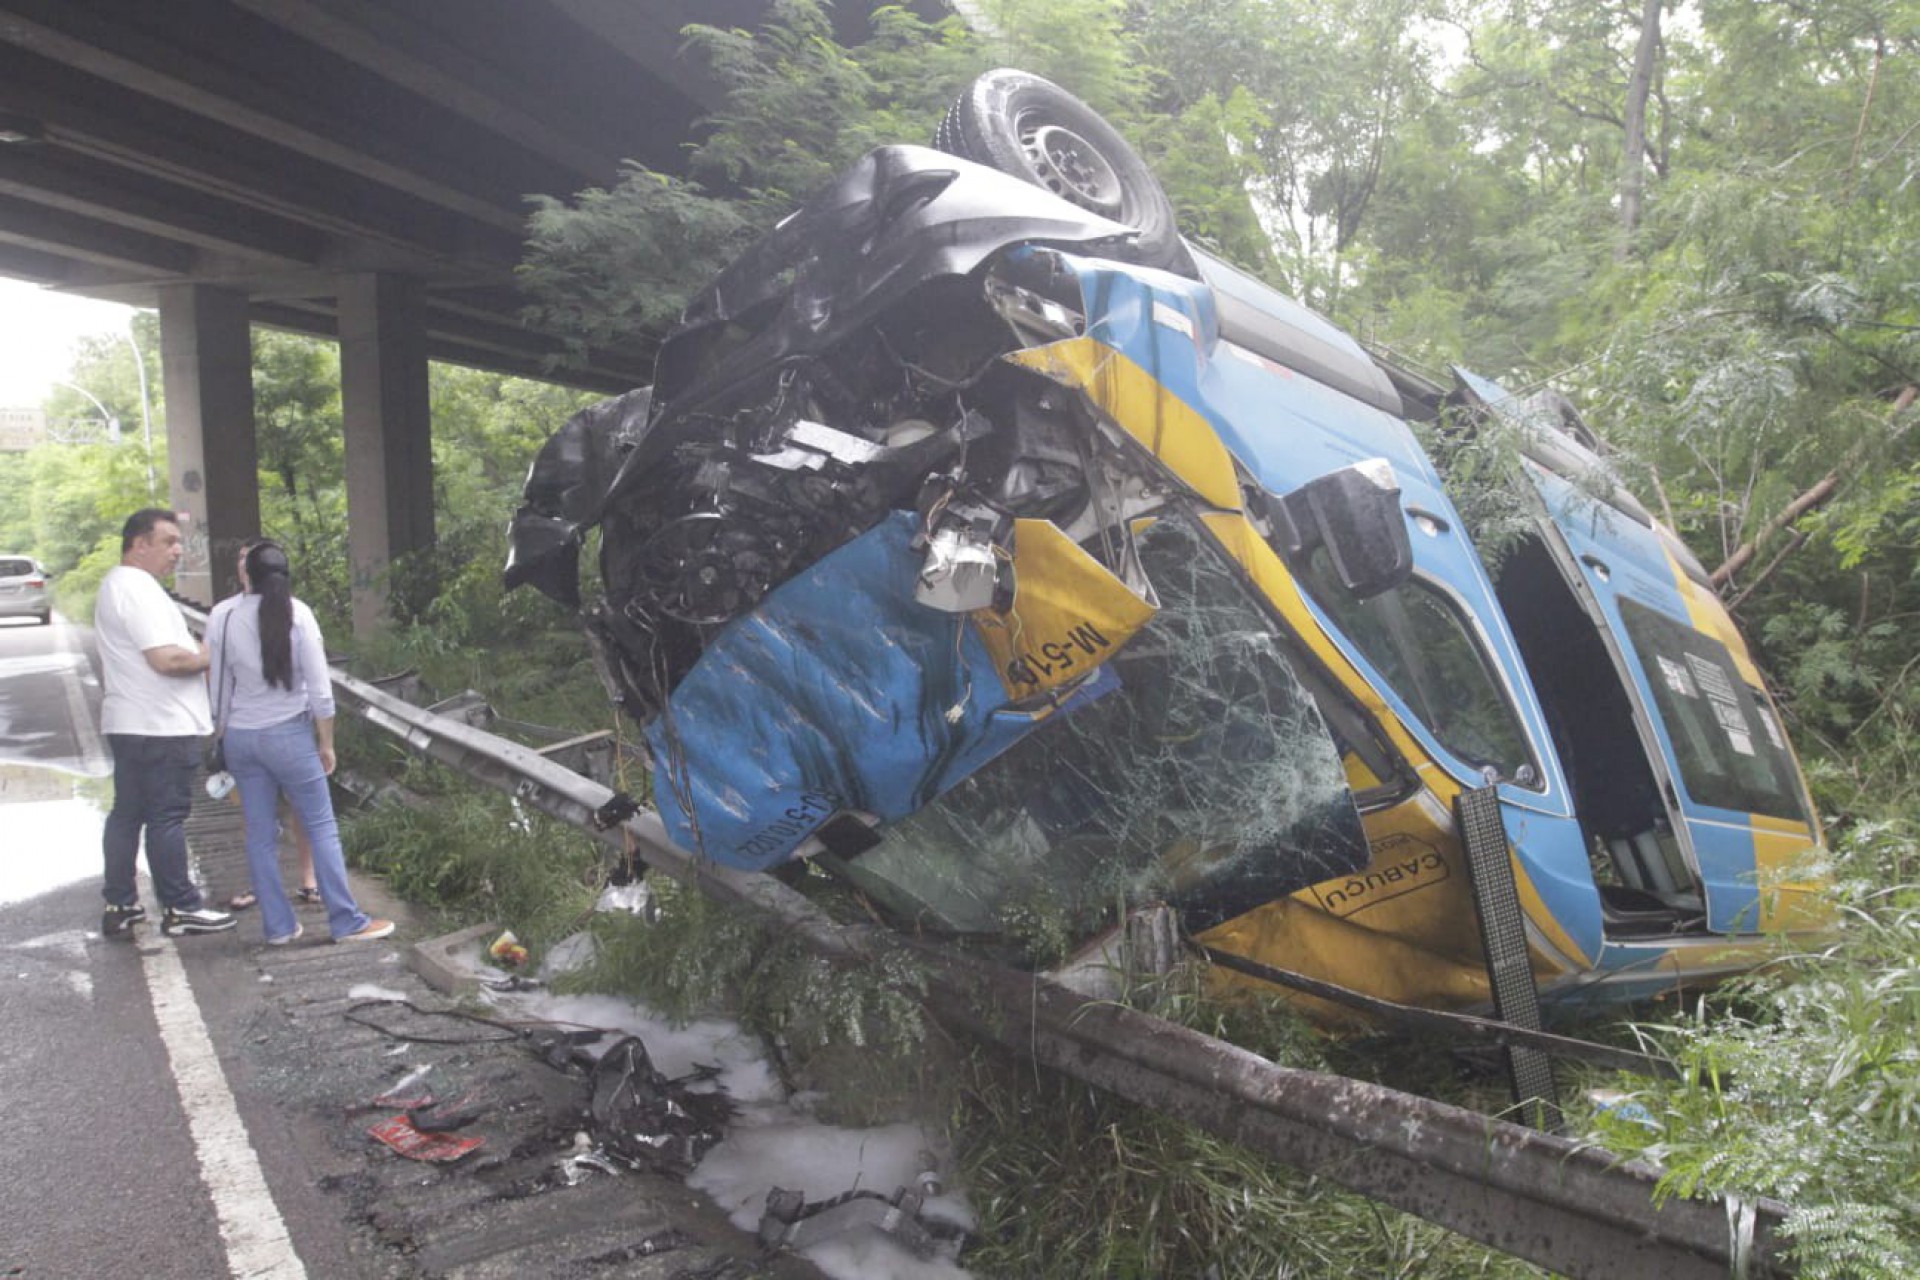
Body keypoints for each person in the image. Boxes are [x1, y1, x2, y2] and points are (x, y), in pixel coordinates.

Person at [206, 538, 392, 945]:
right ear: (285, 575)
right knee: (321, 826)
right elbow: (320, 691)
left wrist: (221, 737)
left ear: (246, 575)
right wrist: (326, 742)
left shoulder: (221, 616)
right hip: (289, 735)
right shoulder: (299, 614)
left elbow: (218, 690)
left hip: (241, 737)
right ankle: (346, 921)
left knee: (259, 834)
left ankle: (278, 927)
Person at [95, 508, 237, 936]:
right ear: (139, 544)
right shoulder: (137, 589)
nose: (179, 551)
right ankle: (181, 907)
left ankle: (120, 904)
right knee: (167, 817)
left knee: (127, 814)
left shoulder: (117, 586)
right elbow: (167, 659)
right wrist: (214, 655)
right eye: (169, 541)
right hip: (161, 725)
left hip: (131, 721)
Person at [220, 539, 318, 912]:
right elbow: (220, 680)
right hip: (250, 730)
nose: (246, 566)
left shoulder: (293, 611)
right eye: (241, 559)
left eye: (252, 560)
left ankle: (307, 882)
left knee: (301, 809)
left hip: (283, 725)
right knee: (255, 815)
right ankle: (263, 886)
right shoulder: (226, 614)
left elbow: (313, 677)